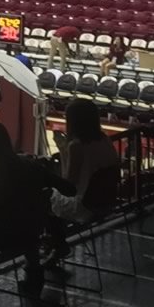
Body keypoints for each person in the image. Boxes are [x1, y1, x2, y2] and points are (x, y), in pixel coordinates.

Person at [0, 119, 60, 296]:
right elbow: (56, 185)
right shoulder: (27, 165)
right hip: (29, 231)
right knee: (23, 213)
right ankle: (34, 274)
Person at [46, 98, 122, 262]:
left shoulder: (76, 146)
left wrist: (63, 150)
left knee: (43, 199)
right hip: (107, 199)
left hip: (86, 205)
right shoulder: (104, 139)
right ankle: (54, 244)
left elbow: (69, 185)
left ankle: (57, 245)